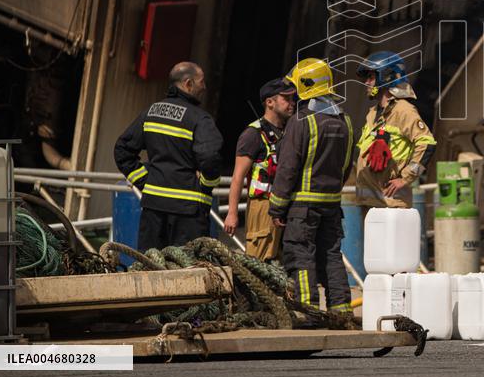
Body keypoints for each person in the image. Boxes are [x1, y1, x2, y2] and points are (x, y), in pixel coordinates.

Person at [268, 58, 354, 316]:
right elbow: (347, 166)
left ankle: (308, 311)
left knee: (301, 256)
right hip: (332, 204)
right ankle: (341, 311)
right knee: (331, 256)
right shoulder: (346, 122)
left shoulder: (301, 121)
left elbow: (287, 168)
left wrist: (277, 207)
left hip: (302, 208)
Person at [114, 62, 223, 251]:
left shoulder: (151, 112)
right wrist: (204, 187)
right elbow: (210, 158)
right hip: (188, 212)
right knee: (187, 270)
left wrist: (146, 182)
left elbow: (122, 150)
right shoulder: (200, 119)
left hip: (153, 208)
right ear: (188, 84)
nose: (204, 87)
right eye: (201, 82)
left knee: (150, 267)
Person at [223, 77, 297, 262]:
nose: (292, 103)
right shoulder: (253, 134)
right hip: (262, 207)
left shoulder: (291, 131)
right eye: (286, 99)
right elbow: (238, 177)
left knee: (284, 263)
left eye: (293, 99)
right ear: (269, 102)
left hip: (286, 205)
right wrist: (232, 214)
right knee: (259, 261)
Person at [354, 51, 436, 210]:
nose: (367, 83)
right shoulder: (372, 113)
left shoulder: (403, 110)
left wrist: (405, 179)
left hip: (392, 205)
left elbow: (427, 144)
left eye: (371, 77)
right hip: (370, 203)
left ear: (385, 77)